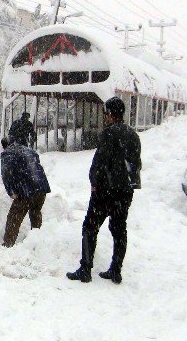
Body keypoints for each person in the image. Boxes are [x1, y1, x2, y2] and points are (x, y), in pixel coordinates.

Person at [67, 97, 141, 284]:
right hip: (125, 192)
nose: (105, 117)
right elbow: (136, 165)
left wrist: (94, 182)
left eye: (105, 113)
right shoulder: (133, 136)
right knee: (119, 229)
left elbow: (100, 162)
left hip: (105, 190)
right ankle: (116, 270)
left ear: (110, 114)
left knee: (90, 226)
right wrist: (129, 185)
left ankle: (85, 269)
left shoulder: (109, 134)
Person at [0, 137, 51, 247]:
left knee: (14, 216)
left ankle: (8, 244)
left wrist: (11, 191)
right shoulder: (29, 150)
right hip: (41, 188)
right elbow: (35, 167)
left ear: (4, 147)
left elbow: (6, 174)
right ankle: (37, 241)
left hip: (27, 190)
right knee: (35, 212)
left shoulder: (7, 154)